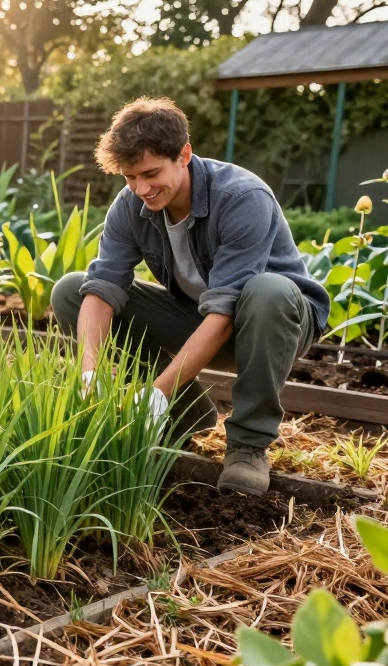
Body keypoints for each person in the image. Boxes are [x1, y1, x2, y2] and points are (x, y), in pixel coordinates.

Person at [51, 97, 330, 495]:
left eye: (151, 173)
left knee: (267, 289)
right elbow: (103, 288)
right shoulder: (131, 204)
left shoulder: (242, 197)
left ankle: (248, 446)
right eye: (130, 177)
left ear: (184, 154)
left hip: (271, 323)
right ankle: (183, 413)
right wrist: (89, 373)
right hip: (199, 319)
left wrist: (157, 391)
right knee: (72, 291)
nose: (141, 188)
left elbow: (226, 309)